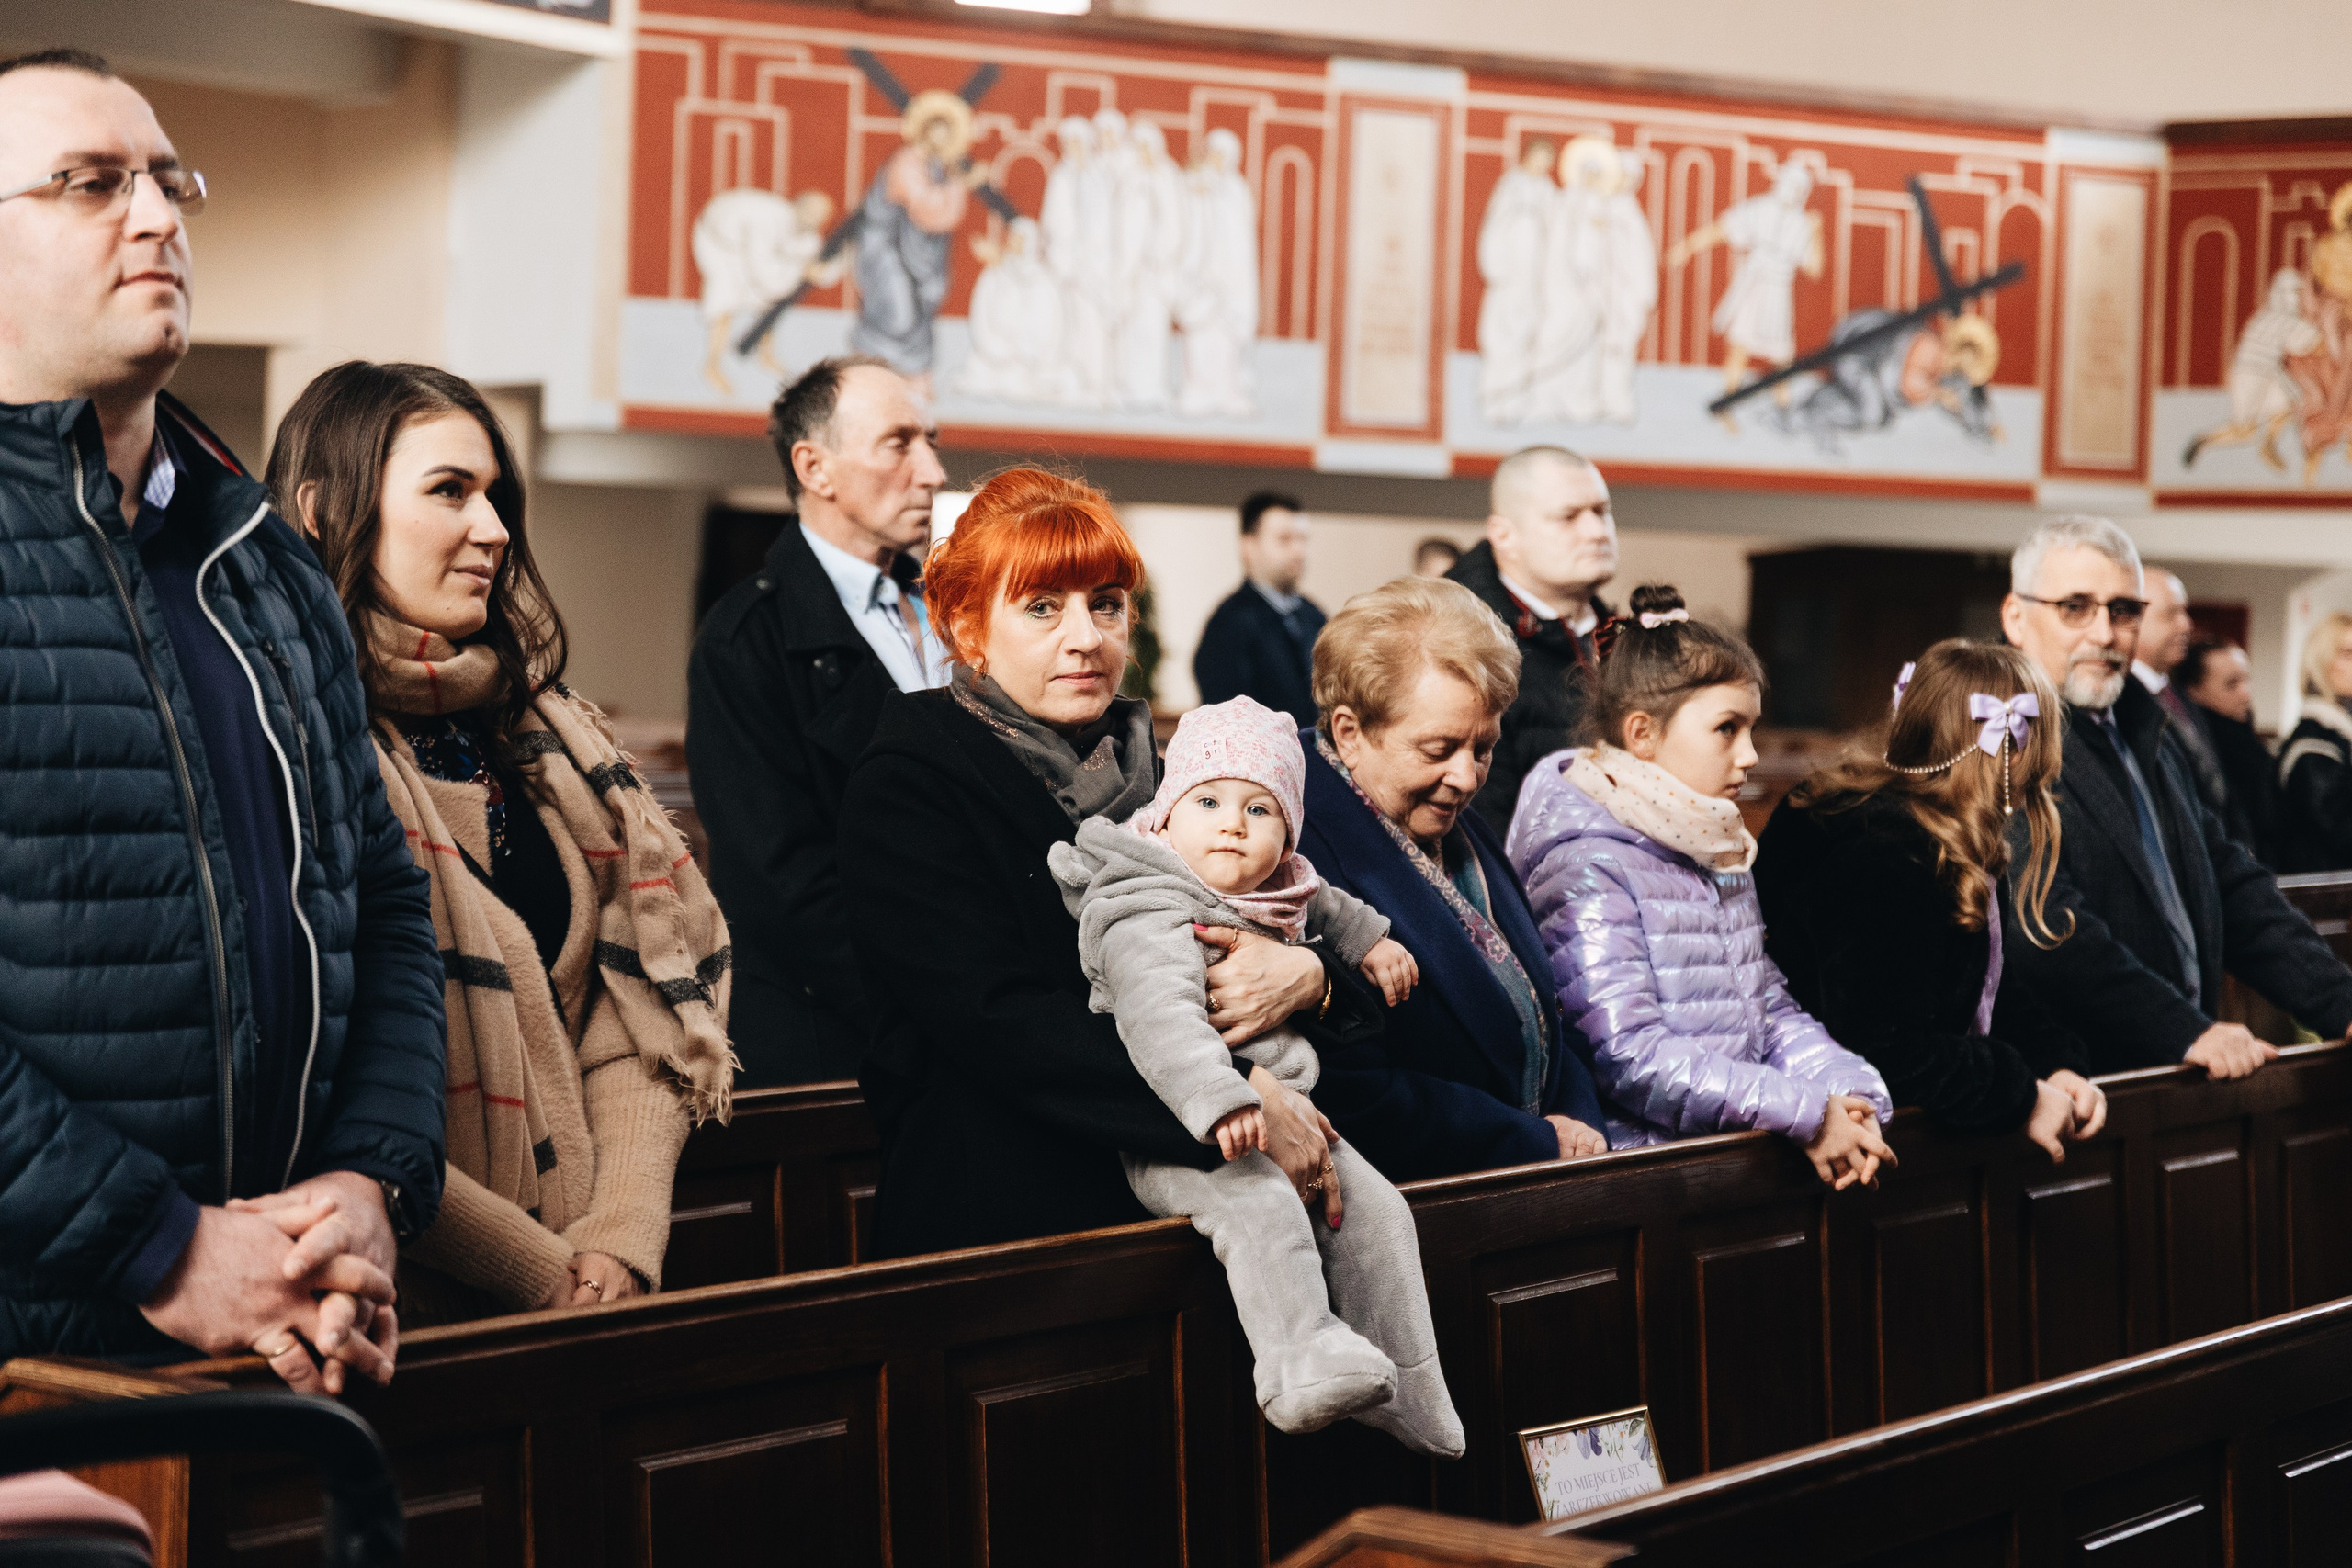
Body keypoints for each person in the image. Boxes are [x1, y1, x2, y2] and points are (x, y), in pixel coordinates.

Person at [0, 50, 446, 1387]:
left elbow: (382, 891)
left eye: (164, 179)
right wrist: (166, 1246)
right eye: (89, 184)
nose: (156, 215)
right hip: (42, 1356)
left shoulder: (259, 554)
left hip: (297, 1325)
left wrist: (372, 1177)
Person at [271, 361, 736, 1325]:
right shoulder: (283, 740)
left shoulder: (548, 734)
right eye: (449, 491)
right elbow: (312, 1073)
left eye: (496, 498)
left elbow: (642, 1001)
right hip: (387, 1306)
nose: (491, 530)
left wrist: (619, 1234)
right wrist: (533, 1267)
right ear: (321, 511)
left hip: (597, 1292)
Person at [840, 468, 1384, 1260]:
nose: (1086, 636)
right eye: (1042, 608)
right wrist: (1236, 1094)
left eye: (1105, 603)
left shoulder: (1174, 777)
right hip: (1011, 1220)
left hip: (1199, 1213)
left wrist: (1313, 977)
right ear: (968, 627)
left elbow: (1304, 911)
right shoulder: (906, 783)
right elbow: (1002, 1022)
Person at [1048, 697, 1462, 1455]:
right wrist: (1223, 1098)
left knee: (1381, 1216)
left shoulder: (1276, 886)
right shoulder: (1148, 905)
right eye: (1207, 801)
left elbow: (1326, 904)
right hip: (1187, 1128)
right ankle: (1299, 1359)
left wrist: (1370, 943)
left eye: (1259, 808)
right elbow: (1157, 1018)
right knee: (1263, 1212)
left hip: (1290, 1115)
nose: (1232, 823)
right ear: (1168, 816)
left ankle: (1410, 1384)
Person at [1510, 587, 1895, 1183]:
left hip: (1733, 1151)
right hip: (1647, 1175)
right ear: (1642, 734)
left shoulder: (1711, 841)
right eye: (1726, 728)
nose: (1748, 755)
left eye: (1751, 728)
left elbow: (1763, 1004)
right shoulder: (1586, 861)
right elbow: (1627, 1054)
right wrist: (1805, 1111)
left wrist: (1850, 1093)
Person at [1998, 515, 2352, 1076]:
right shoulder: (2001, 735)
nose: (2105, 634)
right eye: (2075, 608)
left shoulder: (2144, 727)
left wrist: (2340, 1003)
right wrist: (2186, 1031)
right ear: (2016, 617)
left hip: (2163, 1077)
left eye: (2123, 610)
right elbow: (2044, 928)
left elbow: (2229, 882)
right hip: (2069, 1086)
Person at [689, 356, 950, 1086]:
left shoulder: (952, 612)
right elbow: (787, 886)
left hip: (971, 1013)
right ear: (816, 466)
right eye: (900, 444)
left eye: (930, 441)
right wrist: (940, 1012)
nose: (931, 470)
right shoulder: (745, 640)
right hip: (845, 1039)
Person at [1298, 576, 1608, 1180]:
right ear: (1349, 732)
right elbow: (1352, 1093)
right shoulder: (1298, 856)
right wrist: (1535, 1138)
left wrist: (1578, 1117)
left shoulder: (1450, 820)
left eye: (1483, 746)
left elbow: (1545, 1010)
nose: (1467, 778)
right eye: (1438, 748)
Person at [1757, 640, 2109, 1161]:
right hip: (1825, 1138)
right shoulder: (1887, 854)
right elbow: (1885, 1048)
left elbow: (1985, 986)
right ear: (2011, 748)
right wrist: (2021, 1095)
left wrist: (2055, 1063)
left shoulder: (1947, 832)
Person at [1446, 446, 1616, 835]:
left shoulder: (1617, 637)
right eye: (1569, 516)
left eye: (1602, 511)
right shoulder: (1457, 640)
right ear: (1504, 536)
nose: (1596, 531)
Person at [1193, 491, 1325, 728]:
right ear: (1248, 546)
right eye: (1284, 539)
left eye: (1302, 539)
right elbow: (1228, 716)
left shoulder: (1314, 617)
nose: (1298, 551)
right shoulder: (1229, 624)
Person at [2132, 567, 2232, 829]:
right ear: (2133, 621)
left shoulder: (2177, 695)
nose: (2186, 624)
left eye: (2184, 611)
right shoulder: (2123, 702)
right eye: (2170, 614)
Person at [2178, 637, 2276, 865]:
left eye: (2246, 680)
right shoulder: (2203, 748)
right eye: (2231, 684)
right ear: (2194, 691)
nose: (2246, 694)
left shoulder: (2246, 740)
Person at [2277, 612, 2352, 873]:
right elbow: (2340, 834)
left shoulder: (2341, 735)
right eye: (2347, 653)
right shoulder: (2315, 745)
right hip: (2322, 898)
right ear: (2322, 662)